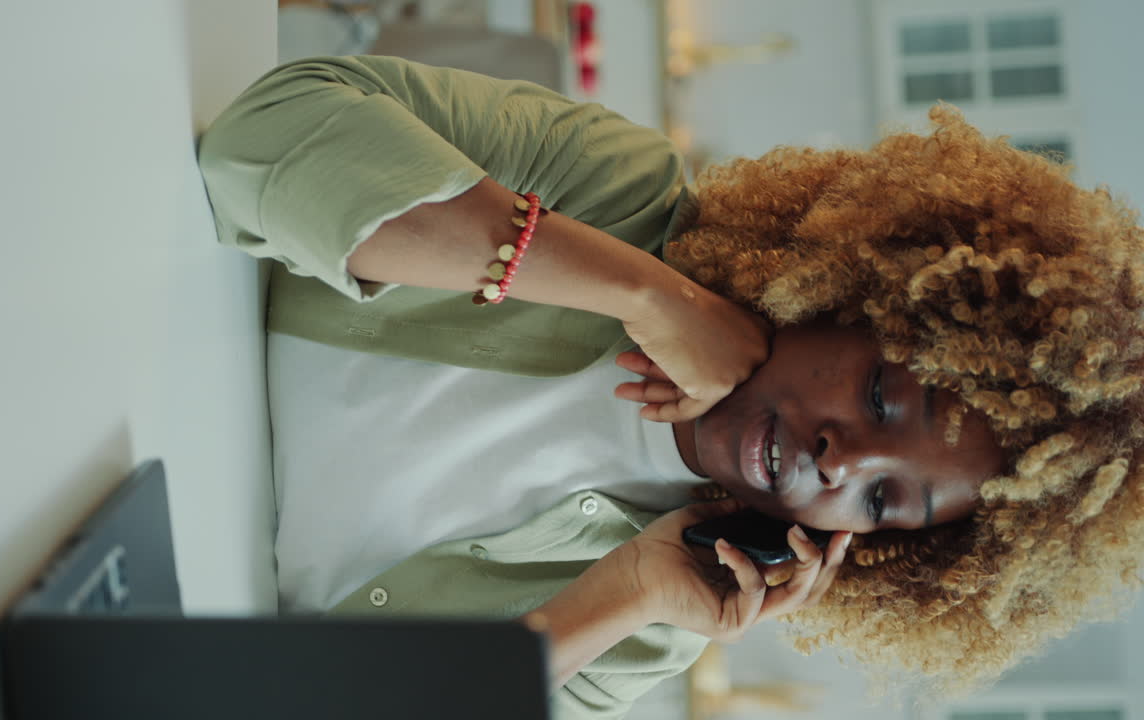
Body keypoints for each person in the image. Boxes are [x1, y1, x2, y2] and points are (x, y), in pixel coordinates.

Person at [196, 54, 1144, 718]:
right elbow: (268, 134)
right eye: (886, 398)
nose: (842, 460)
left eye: (888, 499)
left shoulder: (654, 614)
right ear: (858, 294)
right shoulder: (622, 195)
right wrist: (643, 289)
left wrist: (620, 597)